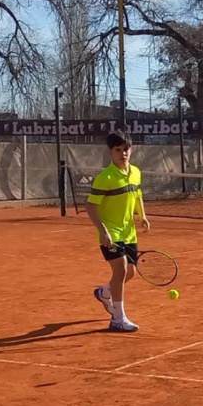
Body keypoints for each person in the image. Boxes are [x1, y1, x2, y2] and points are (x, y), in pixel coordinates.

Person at [86, 131, 150, 332]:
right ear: (110, 152)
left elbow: (137, 194)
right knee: (121, 269)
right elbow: (90, 206)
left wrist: (143, 215)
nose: (123, 154)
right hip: (111, 232)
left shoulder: (136, 172)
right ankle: (117, 318)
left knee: (130, 272)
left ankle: (105, 293)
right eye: (118, 150)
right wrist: (103, 231)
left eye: (126, 149)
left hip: (129, 231)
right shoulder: (105, 178)